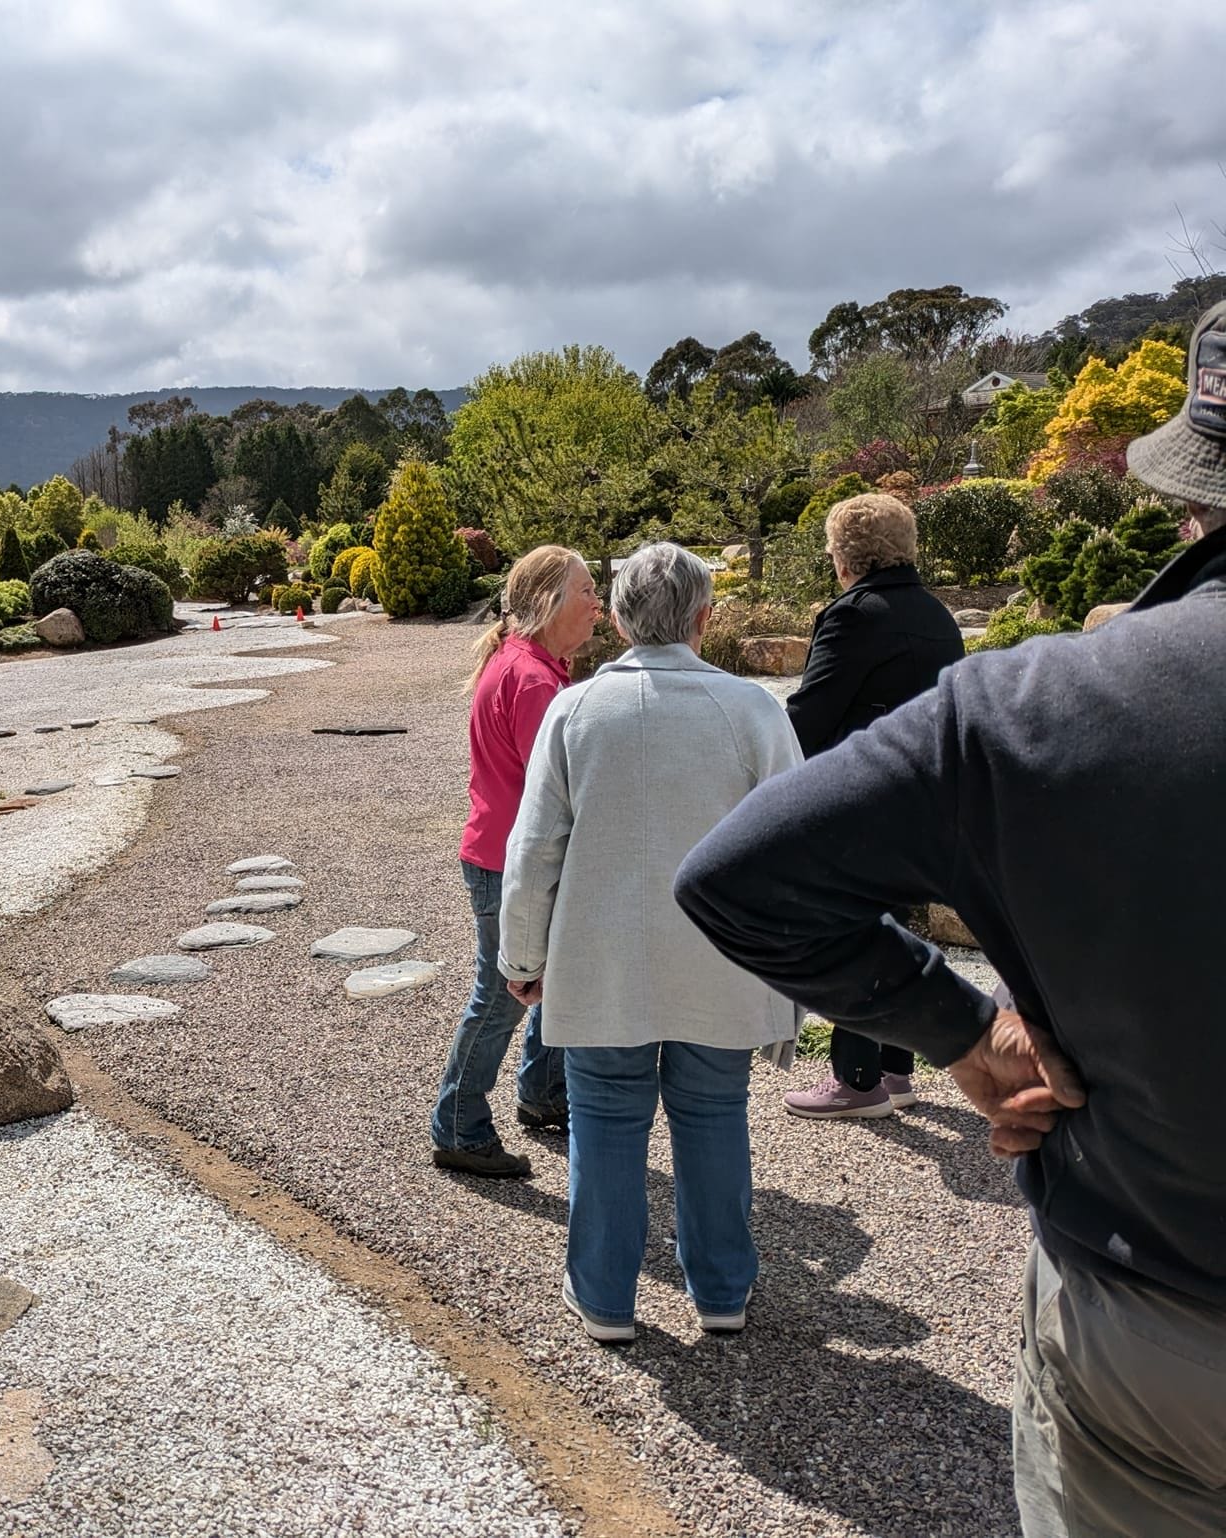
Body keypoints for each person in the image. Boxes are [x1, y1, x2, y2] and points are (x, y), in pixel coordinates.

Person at [674, 301, 1226, 1537]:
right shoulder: (937, 628)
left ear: (1194, 499)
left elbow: (742, 871)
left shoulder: (1046, 697)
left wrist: (971, 1036)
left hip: (1162, 1315)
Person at [498, 543, 801, 1339]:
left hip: (604, 956)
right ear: (704, 618)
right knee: (714, 1117)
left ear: (623, 619)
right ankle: (722, 1289)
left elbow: (533, 854)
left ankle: (604, 1295)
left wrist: (522, 960)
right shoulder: (754, 710)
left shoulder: (576, 709)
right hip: (719, 956)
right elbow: (797, 845)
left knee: (604, 1118)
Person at [780, 493, 965, 1120]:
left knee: (852, 931)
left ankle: (856, 1081)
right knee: (897, 928)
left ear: (847, 554)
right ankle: (895, 1070)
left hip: (862, 797)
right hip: (923, 796)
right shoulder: (938, 615)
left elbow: (813, 713)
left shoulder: (855, 614)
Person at [429, 544, 601, 1178]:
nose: (597, 603)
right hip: (509, 863)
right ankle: (457, 1126)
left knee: (538, 981)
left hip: (502, 855)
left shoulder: (531, 665)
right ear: (549, 602)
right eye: (585, 590)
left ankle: (543, 1094)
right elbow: (558, 788)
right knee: (503, 995)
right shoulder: (532, 679)